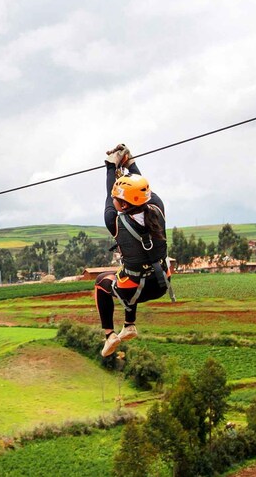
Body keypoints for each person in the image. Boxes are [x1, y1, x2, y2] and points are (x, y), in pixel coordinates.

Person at [96, 143, 172, 357]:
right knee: (132, 273)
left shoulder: (115, 222)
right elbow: (144, 191)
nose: (114, 199)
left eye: (118, 199)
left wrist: (111, 167)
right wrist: (129, 162)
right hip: (160, 284)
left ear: (124, 205)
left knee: (103, 282)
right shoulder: (158, 208)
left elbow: (109, 195)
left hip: (133, 290)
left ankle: (109, 335)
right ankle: (128, 325)